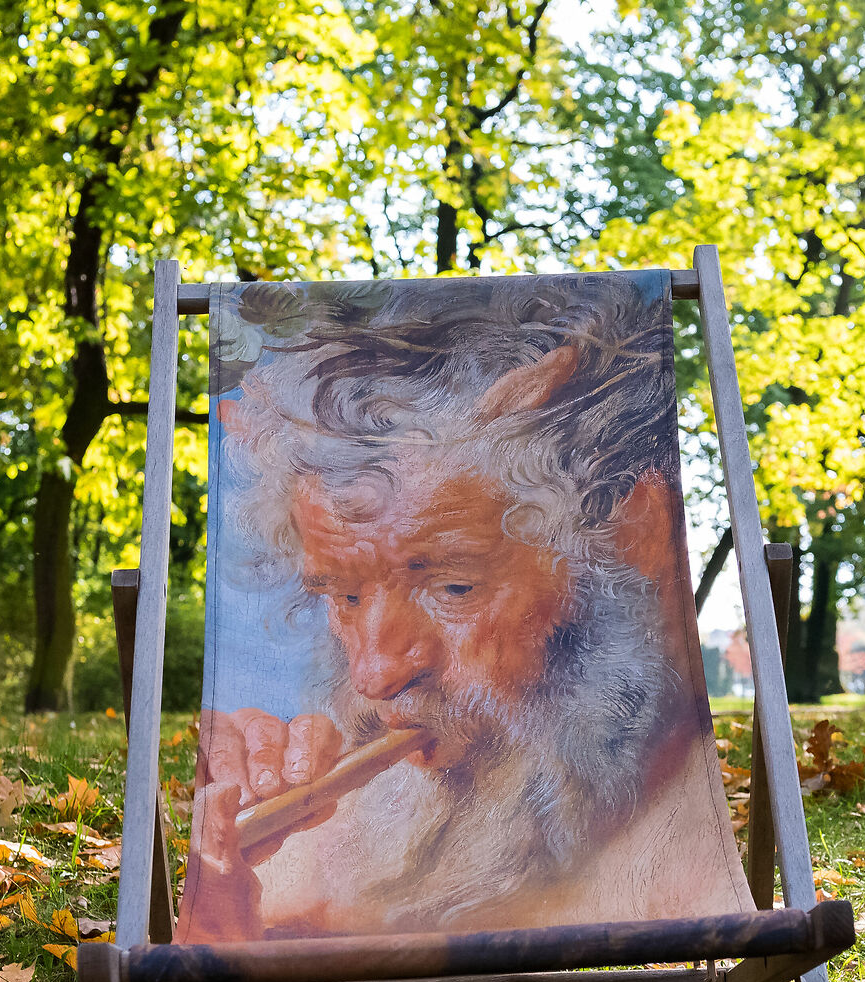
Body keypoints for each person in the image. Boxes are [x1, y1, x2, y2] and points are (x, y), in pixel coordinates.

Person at [175, 273, 750, 942]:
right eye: (346, 595)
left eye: (453, 588)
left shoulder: (675, 853)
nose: (374, 674)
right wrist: (225, 915)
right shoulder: (326, 830)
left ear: (632, 537)